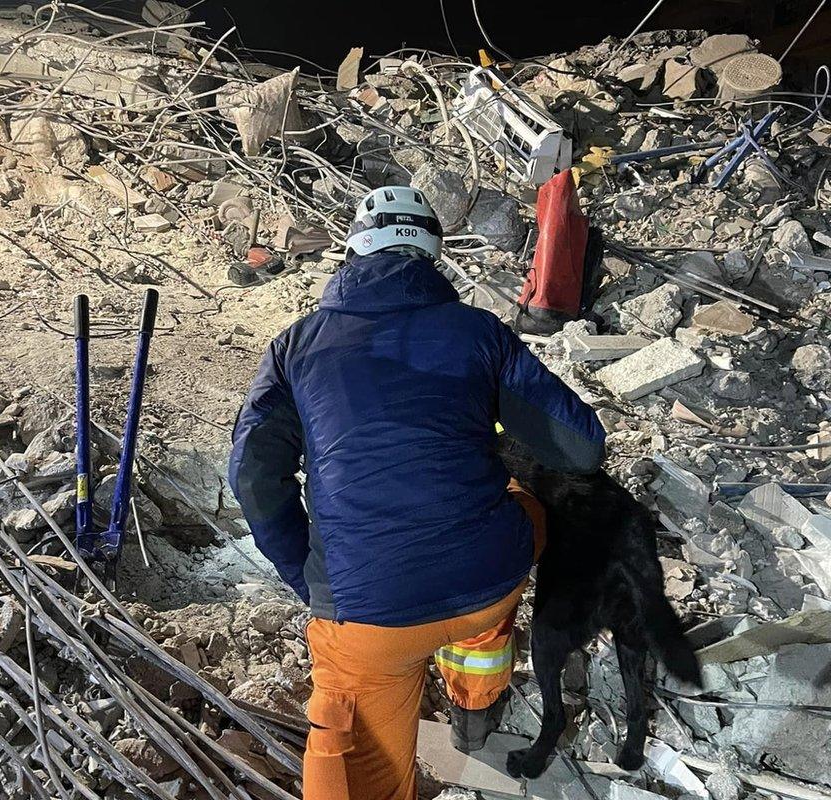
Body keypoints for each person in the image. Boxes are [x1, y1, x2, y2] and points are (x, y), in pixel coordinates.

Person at [229, 186, 606, 800]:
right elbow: (581, 446)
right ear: (432, 254)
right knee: (515, 500)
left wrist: (311, 579)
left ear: (354, 248)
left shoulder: (295, 347)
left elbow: (251, 477)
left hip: (368, 617)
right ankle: (475, 711)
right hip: (488, 579)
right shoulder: (478, 332)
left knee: (357, 771)